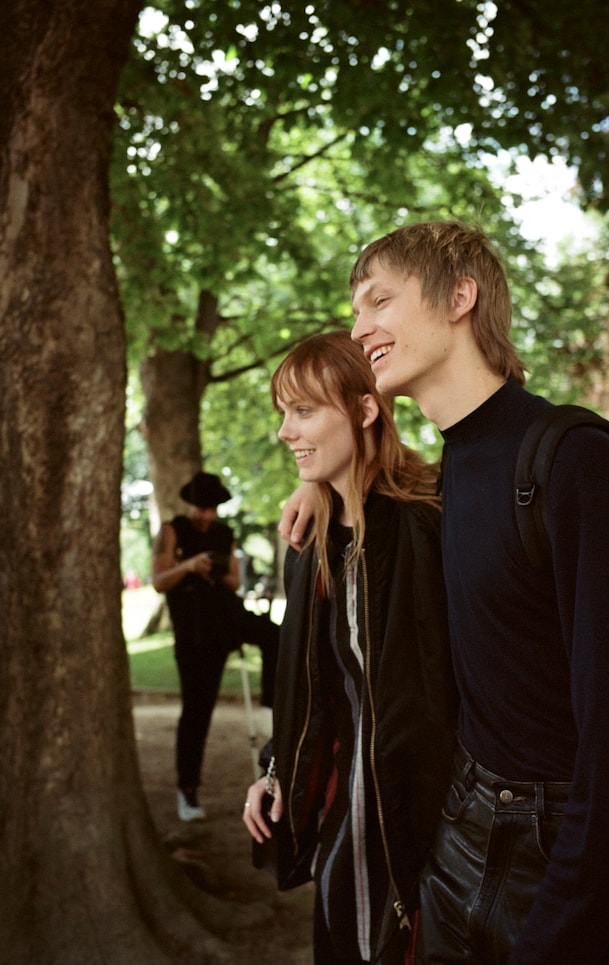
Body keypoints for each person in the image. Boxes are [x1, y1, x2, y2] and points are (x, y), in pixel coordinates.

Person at [280, 220, 609, 964]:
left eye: (379, 300)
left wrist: (568, 916)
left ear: (460, 297)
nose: (359, 326)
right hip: (457, 835)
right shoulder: (448, 478)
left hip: (557, 852)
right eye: (355, 309)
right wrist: (314, 482)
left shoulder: (574, 459)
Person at [243, 330, 458, 964]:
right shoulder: (309, 545)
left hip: (420, 835)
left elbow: (441, 696)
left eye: (304, 411)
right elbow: (317, 684)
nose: (286, 432)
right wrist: (278, 766)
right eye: (284, 412)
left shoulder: (425, 525)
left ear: (366, 410)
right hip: (346, 830)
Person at [153, 471, 278, 822]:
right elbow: (159, 581)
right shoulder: (172, 529)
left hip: (226, 616)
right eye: (201, 507)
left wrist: (215, 569)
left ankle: (272, 707)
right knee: (197, 710)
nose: (206, 515)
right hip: (194, 632)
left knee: (275, 635)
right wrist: (190, 566)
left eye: (212, 509)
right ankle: (187, 789)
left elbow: (235, 579)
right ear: (191, 503)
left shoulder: (225, 534)